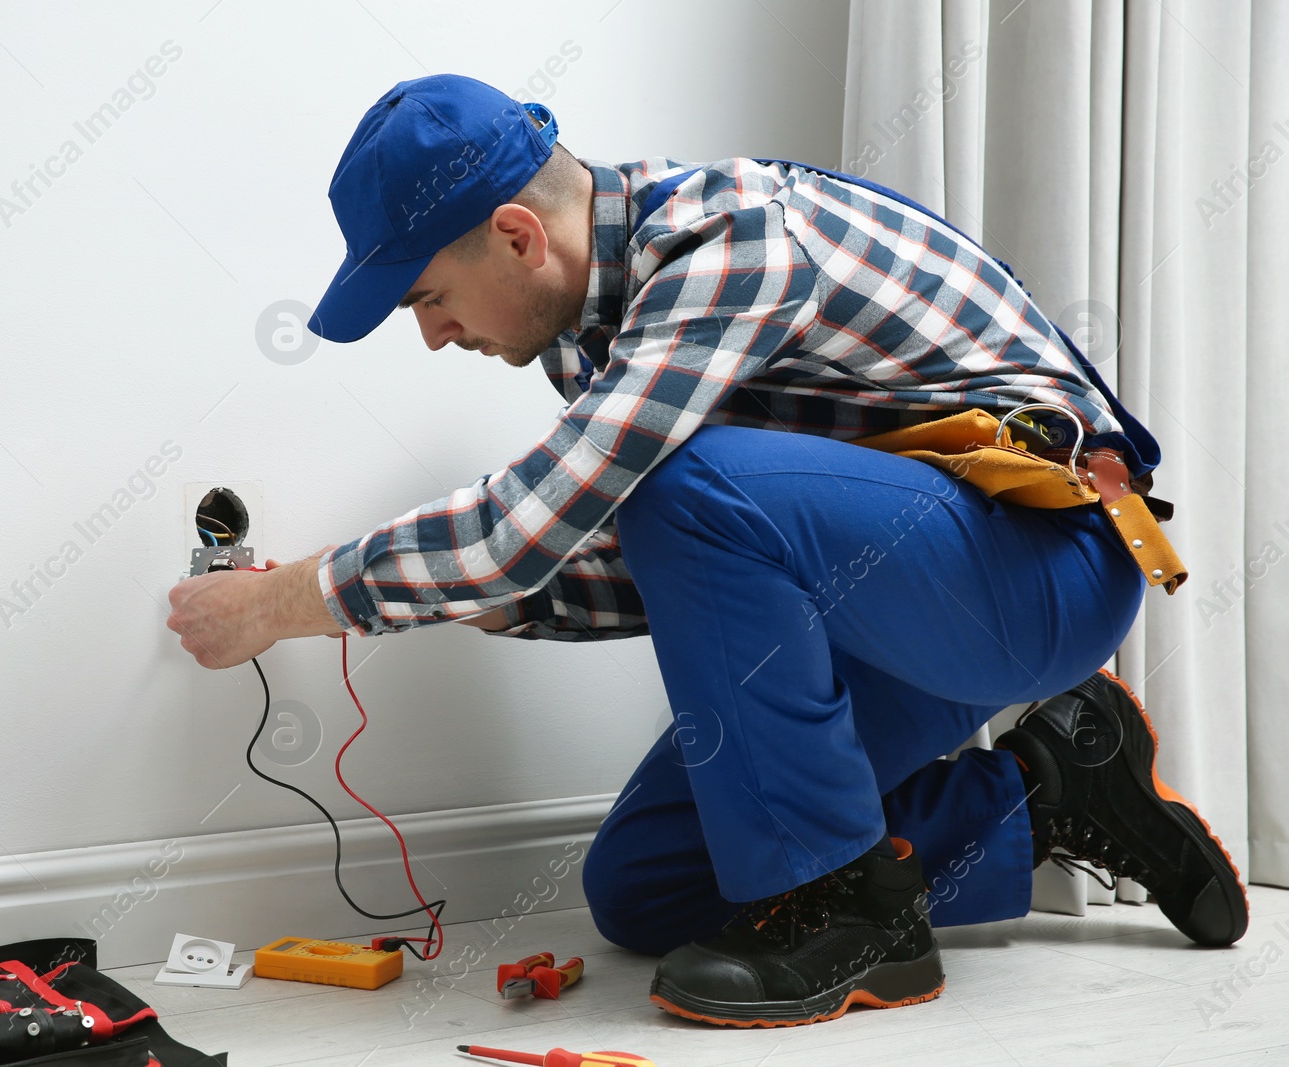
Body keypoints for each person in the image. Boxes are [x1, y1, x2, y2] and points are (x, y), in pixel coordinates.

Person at [164, 74, 1248, 1027]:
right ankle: (1047, 787)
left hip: (1043, 568)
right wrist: (513, 599)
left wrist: (287, 602)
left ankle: (860, 914)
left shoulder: (733, 242)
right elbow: (700, 567)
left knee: (683, 484)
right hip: (892, 607)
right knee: (648, 884)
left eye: (428, 298)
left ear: (516, 235)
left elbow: (559, 523)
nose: (434, 334)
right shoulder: (595, 340)